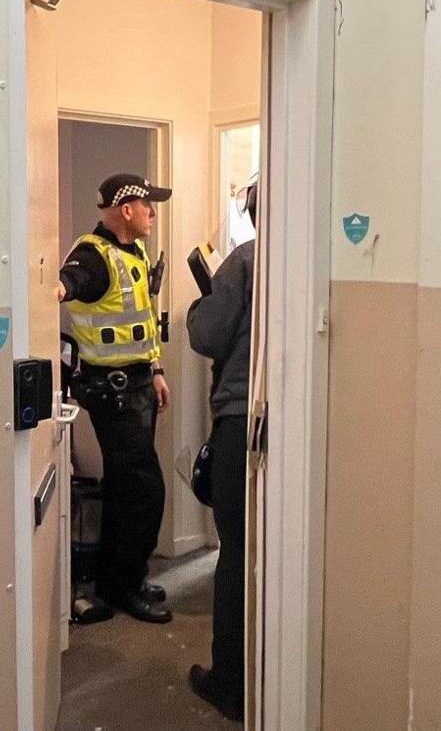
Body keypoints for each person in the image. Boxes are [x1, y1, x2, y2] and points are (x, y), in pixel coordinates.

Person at [55, 173, 174, 624]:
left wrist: (157, 369)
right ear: (126, 210)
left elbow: (141, 319)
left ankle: (122, 578)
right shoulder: (93, 256)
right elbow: (67, 283)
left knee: (129, 490)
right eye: (148, 205)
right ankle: (123, 587)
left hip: (141, 384)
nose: (152, 213)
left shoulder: (133, 252)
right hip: (113, 394)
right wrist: (55, 288)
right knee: (144, 490)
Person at [183, 177, 259, 722]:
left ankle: (229, 682)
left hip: (240, 424)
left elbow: (207, 335)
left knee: (234, 553)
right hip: (286, 426)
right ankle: (267, 672)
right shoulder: (304, 258)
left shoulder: (245, 261)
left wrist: (199, 304)